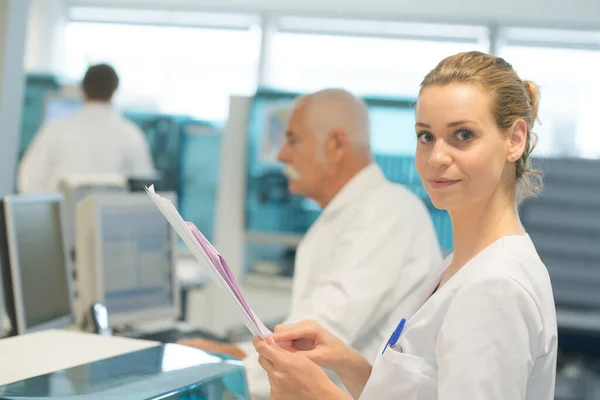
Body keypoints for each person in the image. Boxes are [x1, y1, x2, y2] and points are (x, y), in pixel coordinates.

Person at [252, 51, 558, 399]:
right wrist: (347, 361)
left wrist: (320, 393)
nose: (437, 157)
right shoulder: (462, 267)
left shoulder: (496, 286)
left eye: (463, 135)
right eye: (426, 136)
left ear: (515, 140)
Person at [179, 88, 442, 398]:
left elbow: (319, 339)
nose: (281, 155)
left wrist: (223, 363)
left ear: (335, 145)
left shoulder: (388, 213)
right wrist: (228, 354)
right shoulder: (349, 215)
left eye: (293, 140)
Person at [17, 63, 155, 193]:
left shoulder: (55, 129)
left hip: (63, 216)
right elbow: (145, 188)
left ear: (82, 89)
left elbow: (28, 181)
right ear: (115, 90)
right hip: (111, 216)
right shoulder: (130, 134)